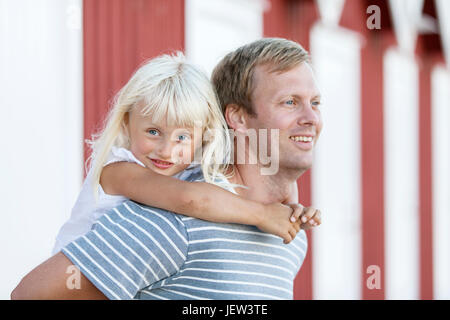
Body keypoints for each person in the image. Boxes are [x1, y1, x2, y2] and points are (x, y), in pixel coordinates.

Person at [11, 38, 323, 300]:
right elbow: (30, 294)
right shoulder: (169, 219)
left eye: (316, 103)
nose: (311, 117)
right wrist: (262, 214)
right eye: (290, 102)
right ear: (238, 118)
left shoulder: (291, 236)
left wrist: (282, 210)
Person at [51, 52, 318, 255]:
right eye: (153, 132)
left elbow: (246, 189)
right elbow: (192, 200)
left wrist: (291, 211)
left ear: (203, 137)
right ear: (126, 123)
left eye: (182, 137)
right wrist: (262, 214)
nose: (167, 150)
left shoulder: (191, 170)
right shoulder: (118, 171)